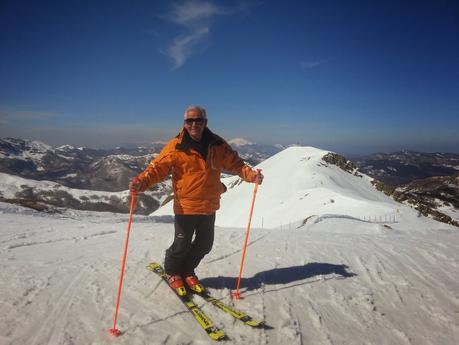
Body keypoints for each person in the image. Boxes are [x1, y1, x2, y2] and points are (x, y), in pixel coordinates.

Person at [129, 105, 263, 295]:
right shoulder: (176, 146)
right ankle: (173, 271)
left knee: (205, 244)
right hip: (186, 206)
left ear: (205, 122)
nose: (194, 124)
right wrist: (141, 182)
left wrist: (251, 176)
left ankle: (187, 270)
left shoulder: (217, 144)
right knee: (181, 244)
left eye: (198, 120)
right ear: (184, 123)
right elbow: (157, 168)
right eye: (189, 121)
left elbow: (235, 163)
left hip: (209, 205)